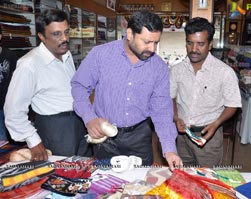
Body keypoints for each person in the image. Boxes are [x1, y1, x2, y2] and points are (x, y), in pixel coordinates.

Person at [71, 10, 182, 171]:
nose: (152, 49)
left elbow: (162, 111)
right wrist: (89, 118)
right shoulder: (101, 55)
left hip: (139, 137)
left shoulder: (158, 67)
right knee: (106, 186)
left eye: (156, 42)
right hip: (105, 137)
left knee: (140, 187)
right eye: (146, 41)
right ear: (130, 34)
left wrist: (170, 149)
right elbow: (79, 86)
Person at [4, 9, 91, 161]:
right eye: (57, 34)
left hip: (78, 124)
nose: (64, 38)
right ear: (42, 37)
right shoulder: (29, 64)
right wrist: (33, 141)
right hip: (56, 131)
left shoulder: (66, 54)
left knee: (84, 174)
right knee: (60, 178)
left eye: (66, 32)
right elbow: (13, 111)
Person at [170, 17, 242, 167]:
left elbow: (232, 105)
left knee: (208, 179)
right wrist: (176, 118)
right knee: (184, 178)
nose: (194, 49)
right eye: (190, 43)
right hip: (182, 136)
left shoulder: (224, 72)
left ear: (210, 45)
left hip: (209, 136)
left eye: (200, 44)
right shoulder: (177, 70)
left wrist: (216, 124)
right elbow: (171, 97)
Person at [0, 26, 17, 141]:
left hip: (8, 101)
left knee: (14, 134)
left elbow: (17, 75)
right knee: (2, 137)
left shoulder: (9, 54)